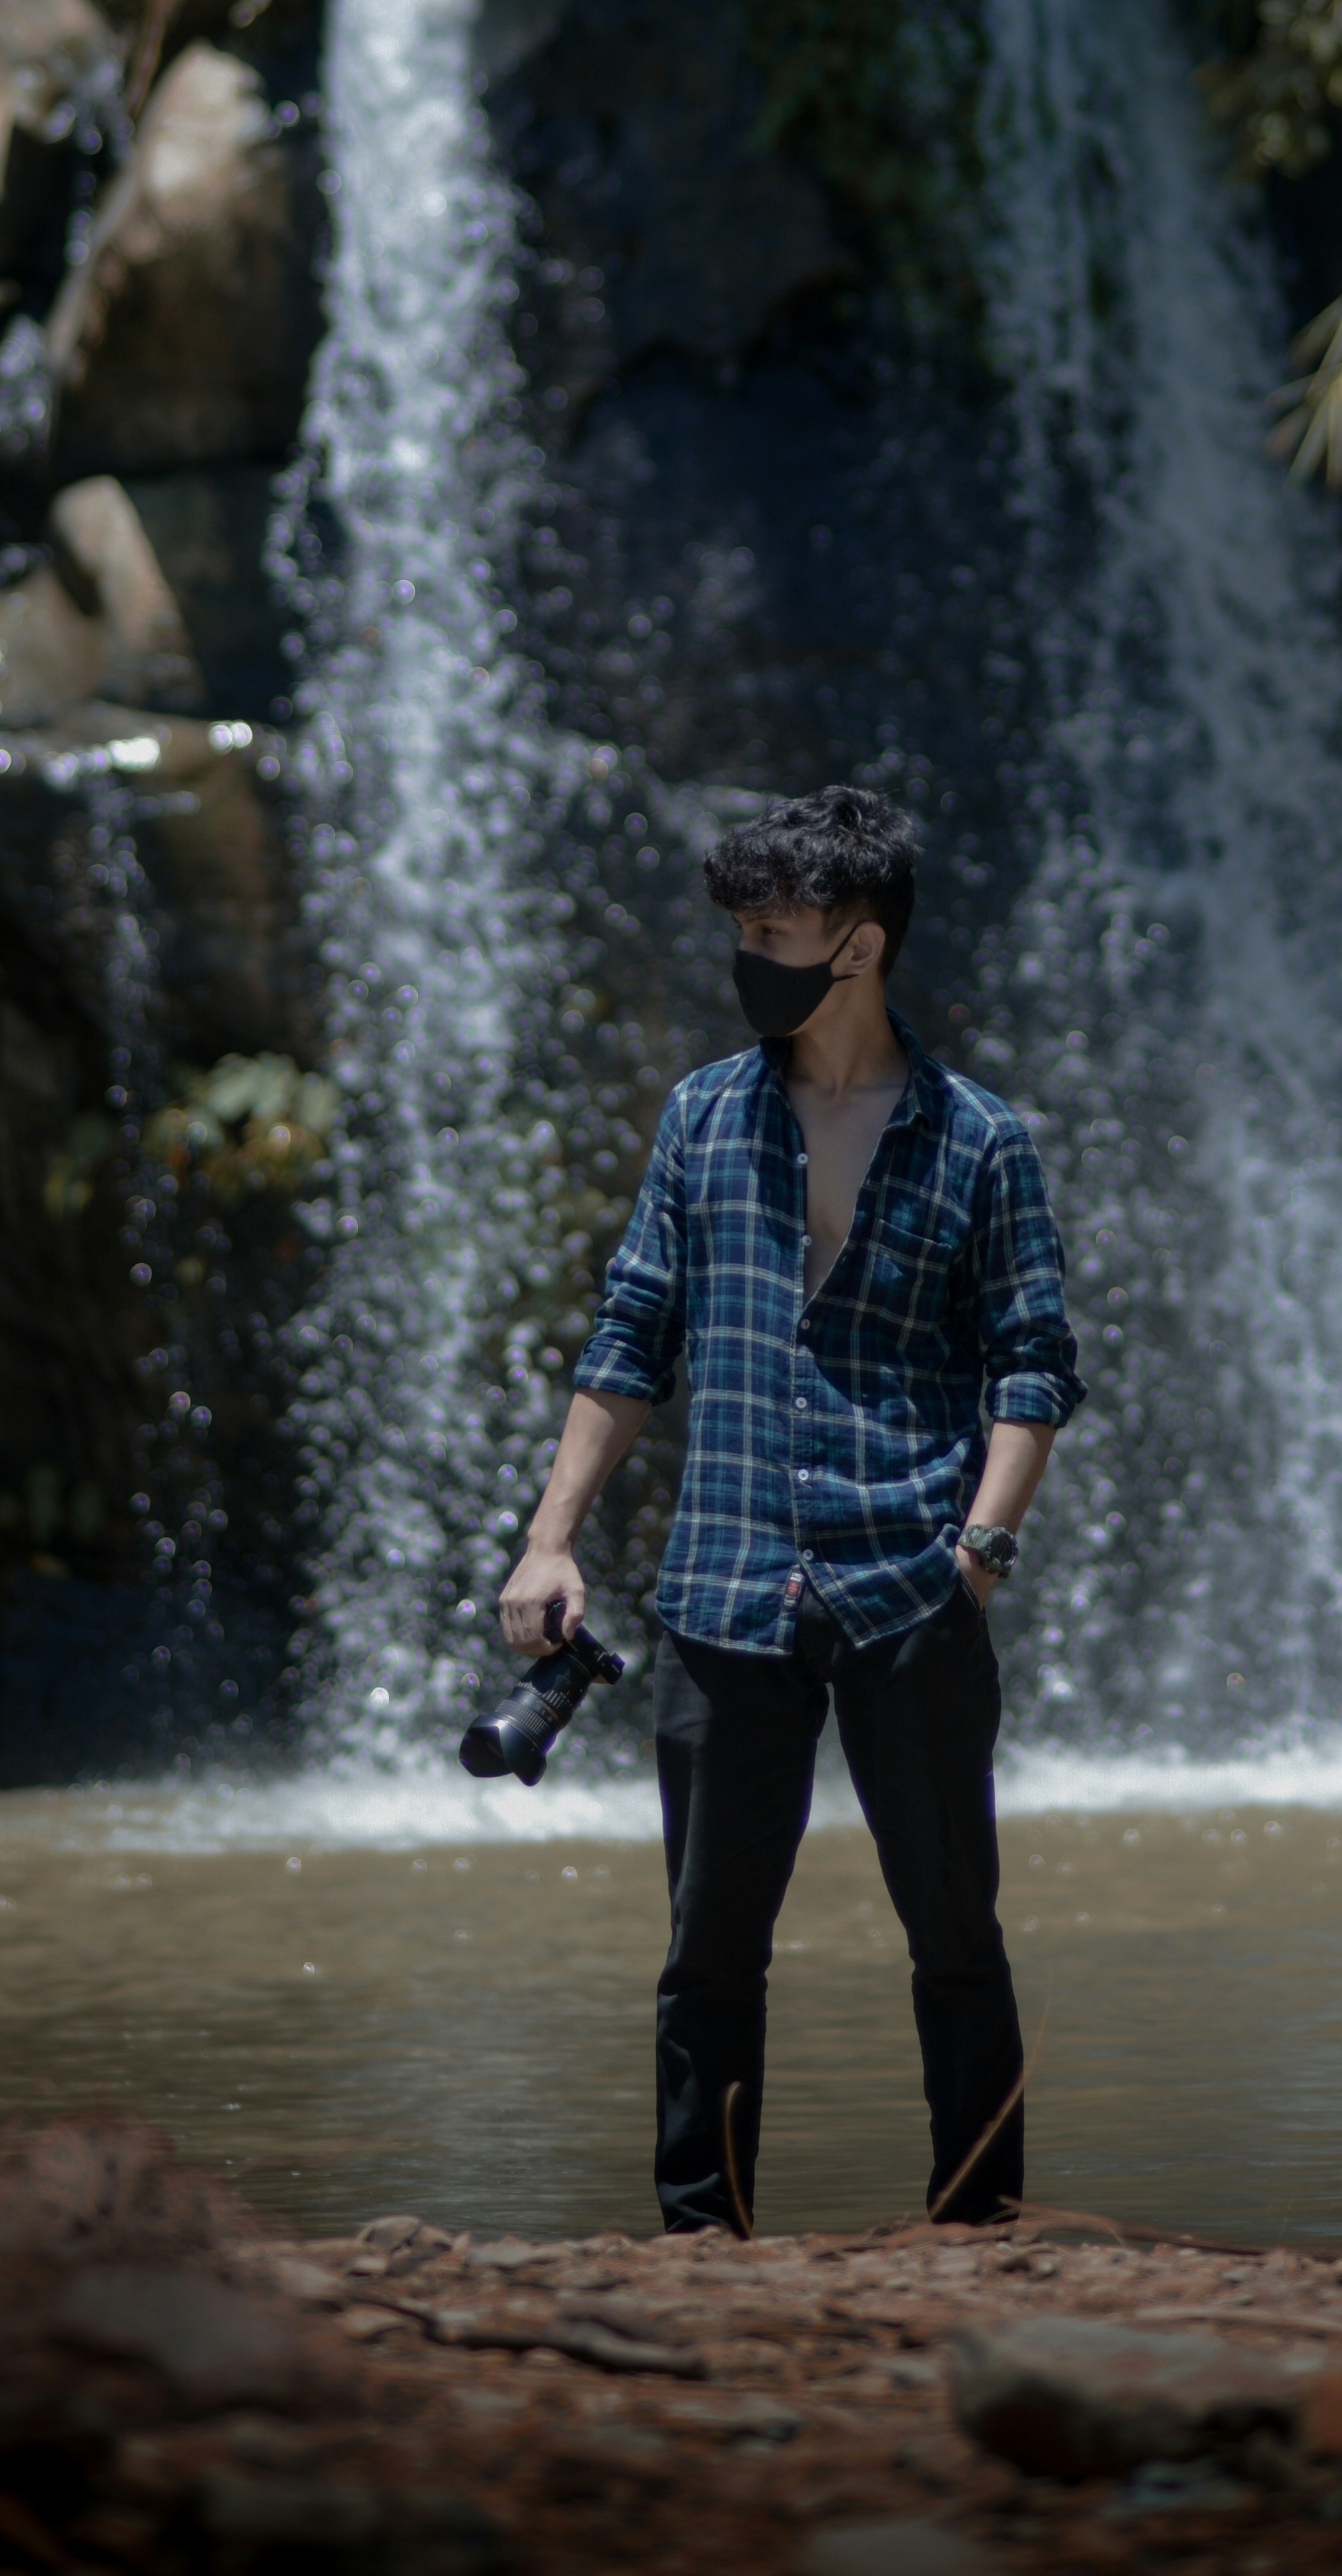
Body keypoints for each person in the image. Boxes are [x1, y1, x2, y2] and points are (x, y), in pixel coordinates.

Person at [498, 781, 1084, 2234]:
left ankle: (979, 2223)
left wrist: (980, 1556)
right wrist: (550, 1532)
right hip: (724, 1582)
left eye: (771, 927)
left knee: (953, 1933)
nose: (745, 951)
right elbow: (631, 1336)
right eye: (741, 926)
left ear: (860, 943)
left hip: (911, 1581)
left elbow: (1032, 1364)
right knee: (706, 1951)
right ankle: (702, 2236)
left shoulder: (979, 1139)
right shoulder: (702, 1116)